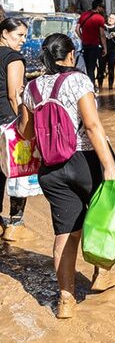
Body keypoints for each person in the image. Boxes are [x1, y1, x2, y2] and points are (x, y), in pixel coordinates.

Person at [17, 33, 115, 319]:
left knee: (65, 234)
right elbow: (92, 125)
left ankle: (65, 299)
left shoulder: (33, 87)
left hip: (50, 168)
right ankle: (101, 275)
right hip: (85, 161)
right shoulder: (78, 80)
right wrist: (109, 166)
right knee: (102, 219)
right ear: (71, 54)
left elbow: (25, 133)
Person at [0, 18, 29, 241]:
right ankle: (15, 223)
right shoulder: (14, 58)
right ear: (4, 33)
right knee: (20, 172)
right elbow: (14, 95)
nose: (23, 40)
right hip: (9, 123)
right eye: (19, 35)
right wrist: (23, 123)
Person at [75, 0, 107, 88]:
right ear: (98, 7)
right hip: (94, 45)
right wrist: (105, 48)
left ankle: (87, 85)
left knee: (87, 66)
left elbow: (77, 29)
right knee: (91, 68)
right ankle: (91, 86)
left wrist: (82, 38)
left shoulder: (84, 15)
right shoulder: (99, 18)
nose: (103, 9)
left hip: (85, 45)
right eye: (102, 7)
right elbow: (102, 35)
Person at [97, 13, 115, 91]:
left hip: (112, 52)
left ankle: (110, 87)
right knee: (101, 69)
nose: (110, 19)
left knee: (111, 69)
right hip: (102, 51)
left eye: (112, 18)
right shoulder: (102, 27)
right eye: (109, 18)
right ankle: (100, 86)